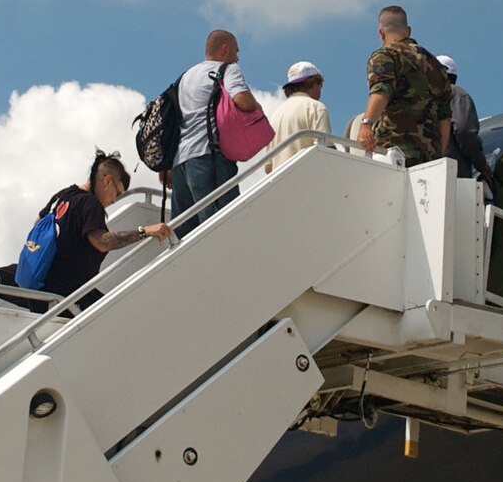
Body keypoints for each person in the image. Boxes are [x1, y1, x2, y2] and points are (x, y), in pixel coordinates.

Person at [33, 152, 173, 307]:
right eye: (117, 193)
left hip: (45, 283)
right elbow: (102, 241)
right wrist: (145, 231)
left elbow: (38, 223)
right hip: (69, 294)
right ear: (107, 181)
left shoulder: (63, 195)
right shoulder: (90, 203)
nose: (113, 200)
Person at [169, 29, 259, 224]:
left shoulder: (185, 77)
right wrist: (257, 107)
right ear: (225, 50)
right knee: (222, 226)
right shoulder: (226, 69)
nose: (237, 58)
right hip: (209, 158)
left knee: (184, 233)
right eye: (236, 51)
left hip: (180, 163)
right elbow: (243, 101)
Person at [357, 5, 453, 165]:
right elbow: (445, 117)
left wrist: (366, 124)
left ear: (381, 32)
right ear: (408, 31)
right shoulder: (437, 66)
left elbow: (381, 92)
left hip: (395, 150)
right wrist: (438, 155)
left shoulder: (386, 55)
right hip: (430, 158)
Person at [265, 61, 331, 172]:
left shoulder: (275, 115)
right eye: (320, 85)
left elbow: (268, 167)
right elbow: (325, 150)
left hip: (281, 184)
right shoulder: (316, 107)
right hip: (308, 179)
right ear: (315, 83)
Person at [438, 54, 486, 182]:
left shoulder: (418, 97)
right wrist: (481, 165)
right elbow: (464, 131)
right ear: (454, 77)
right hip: (451, 175)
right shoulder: (456, 93)